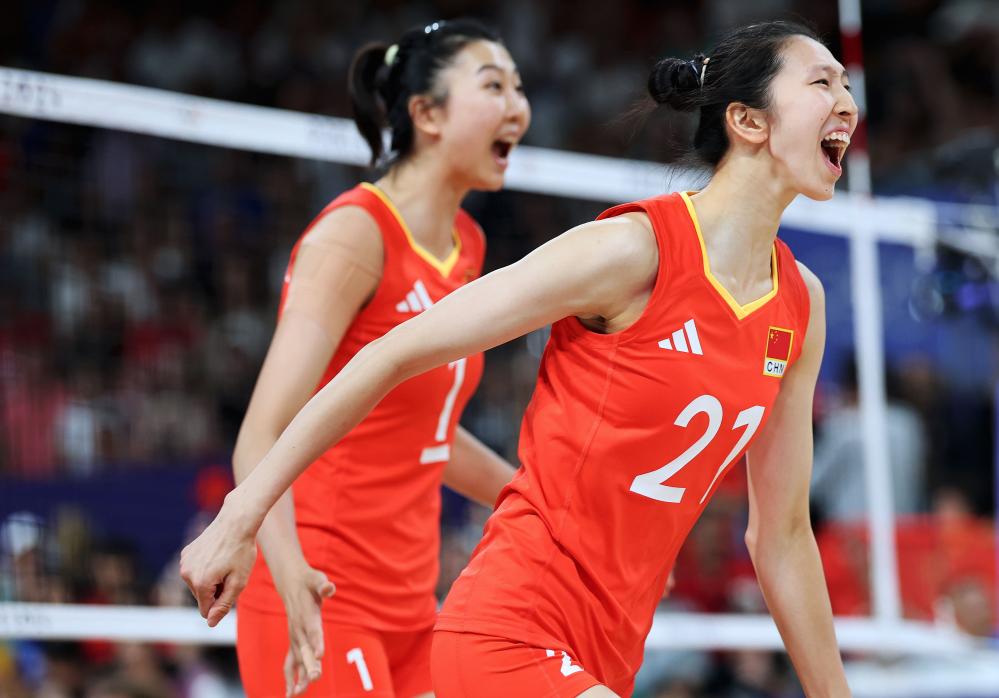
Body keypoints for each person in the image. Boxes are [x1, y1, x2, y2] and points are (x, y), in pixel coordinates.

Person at [181, 20, 856, 697]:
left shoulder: (800, 305)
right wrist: (242, 517)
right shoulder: (629, 250)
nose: (846, 103)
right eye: (821, 82)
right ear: (747, 120)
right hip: (496, 623)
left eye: (847, 84)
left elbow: (783, 537)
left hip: (582, 639)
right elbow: (388, 355)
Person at [227, 19, 528, 698]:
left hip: (412, 603)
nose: (518, 106)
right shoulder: (354, 237)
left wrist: (545, 508)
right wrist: (290, 573)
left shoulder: (468, 245)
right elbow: (259, 437)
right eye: (493, 86)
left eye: (519, 87)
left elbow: (427, 432)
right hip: (319, 592)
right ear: (426, 114)